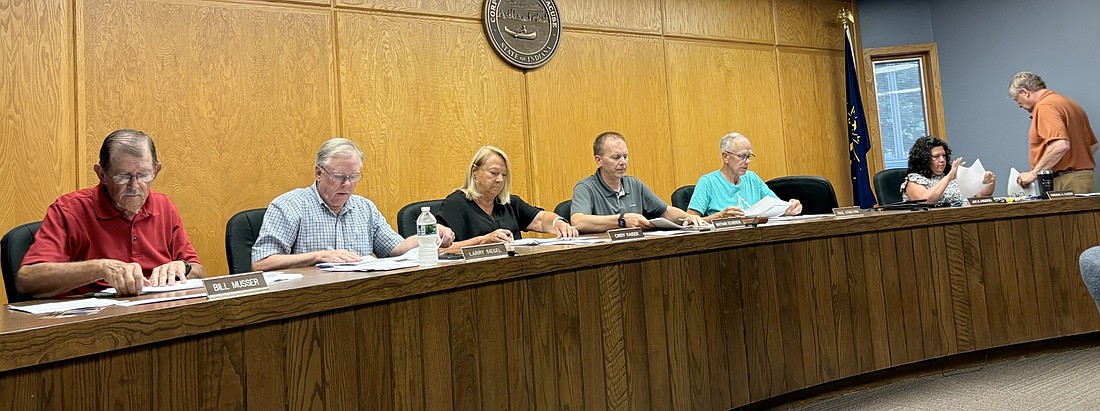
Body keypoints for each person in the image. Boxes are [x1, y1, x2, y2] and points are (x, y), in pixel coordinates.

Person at [17, 129, 205, 298]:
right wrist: (100, 268)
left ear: (156, 171)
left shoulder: (164, 206)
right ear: (101, 175)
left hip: (156, 313)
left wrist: (183, 267)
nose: (134, 186)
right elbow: (27, 279)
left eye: (144, 175)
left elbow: (198, 270)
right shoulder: (70, 210)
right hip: (94, 324)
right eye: (123, 177)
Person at [251, 138, 455, 271]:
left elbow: (397, 249)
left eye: (354, 176)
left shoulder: (364, 208)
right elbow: (261, 263)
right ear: (319, 173)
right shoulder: (289, 206)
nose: (347, 184)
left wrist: (428, 234)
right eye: (339, 176)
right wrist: (320, 256)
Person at [436, 146, 578, 247]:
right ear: (475, 172)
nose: (500, 180)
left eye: (504, 175)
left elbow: (540, 220)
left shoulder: (509, 202)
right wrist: (482, 241)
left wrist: (558, 222)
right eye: (493, 173)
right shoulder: (455, 204)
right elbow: (440, 249)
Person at [570, 131, 706, 233]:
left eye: (625, 156)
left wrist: (689, 218)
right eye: (616, 157)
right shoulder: (585, 187)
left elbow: (666, 211)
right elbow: (578, 221)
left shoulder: (634, 184)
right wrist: (621, 220)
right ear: (599, 160)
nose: (623, 162)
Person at [1008, 71, 1098, 194]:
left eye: (1017, 100)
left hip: (1066, 183)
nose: (1019, 105)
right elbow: (1092, 145)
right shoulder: (1070, 104)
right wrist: (1075, 162)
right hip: (1083, 180)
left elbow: (1060, 145)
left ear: (1024, 92)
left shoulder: (1045, 107)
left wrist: (1034, 173)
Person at [687, 132, 802, 221]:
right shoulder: (708, 182)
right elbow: (690, 222)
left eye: (749, 156)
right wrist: (719, 217)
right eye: (742, 156)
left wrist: (790, 208)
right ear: (726, 156)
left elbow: (777, 206)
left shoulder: (752, 178)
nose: (747, 162)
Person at [902, 136, 995, 205]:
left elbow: (979, 195)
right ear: (923, 159)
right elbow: (925, 200)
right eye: (936, 156)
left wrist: (988, 181)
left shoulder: (950, 176)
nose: (942, 160)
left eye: (944, 156)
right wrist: (949, 177)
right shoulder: (913, 180)